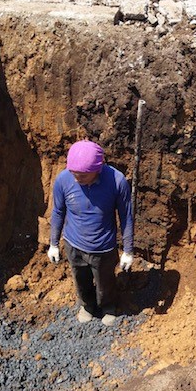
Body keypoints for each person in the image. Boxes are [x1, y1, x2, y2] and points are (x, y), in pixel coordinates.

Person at [48, 140, 134, 326]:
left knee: (105, 282)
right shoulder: (64, 179)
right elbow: (58, 211)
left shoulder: (117, 182)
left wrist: (128, 250)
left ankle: (108, 306)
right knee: (80, 279)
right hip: (73, 244)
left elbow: (126, 216)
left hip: (102, 248)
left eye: (83, 175)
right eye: (74, 174)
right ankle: (87, 305)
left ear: (99, 168)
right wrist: (53, 244)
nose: (77, 178)